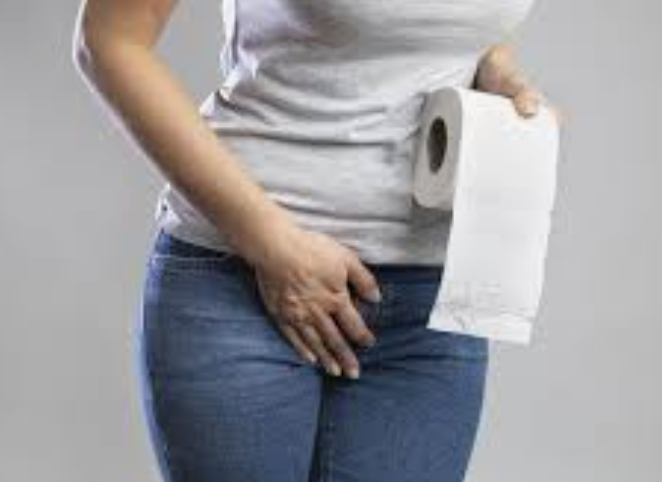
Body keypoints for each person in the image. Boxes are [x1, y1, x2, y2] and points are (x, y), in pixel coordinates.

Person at [73, 1, 560, 481]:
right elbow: (108, 39)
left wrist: (494, 65)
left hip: (427, 304)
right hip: (242, 279)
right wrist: (272, 244)